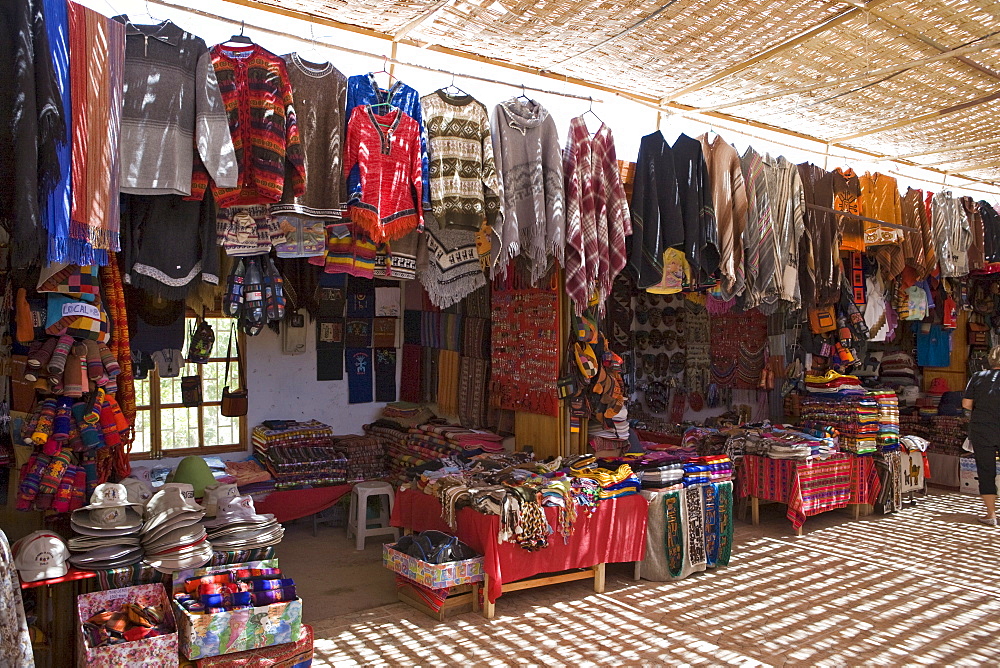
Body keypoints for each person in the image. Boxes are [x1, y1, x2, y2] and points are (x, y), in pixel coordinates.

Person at [962, 345, 1000, 525]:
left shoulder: (978, 377)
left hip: (982, 430)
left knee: (986, 471)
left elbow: (967, 404)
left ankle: (991, 514)